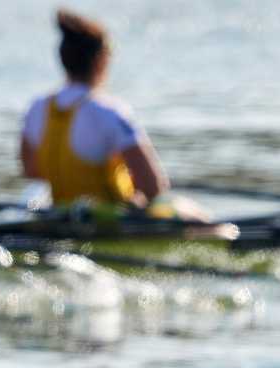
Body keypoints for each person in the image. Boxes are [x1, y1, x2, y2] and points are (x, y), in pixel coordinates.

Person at [19, 10, 205, 219]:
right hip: (111, 221)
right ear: (101, 60)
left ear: (63, 59)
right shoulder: (109, 111)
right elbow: (154, 187)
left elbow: (32, 171)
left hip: (62, 216)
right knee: (190, 211)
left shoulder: (37, 109)